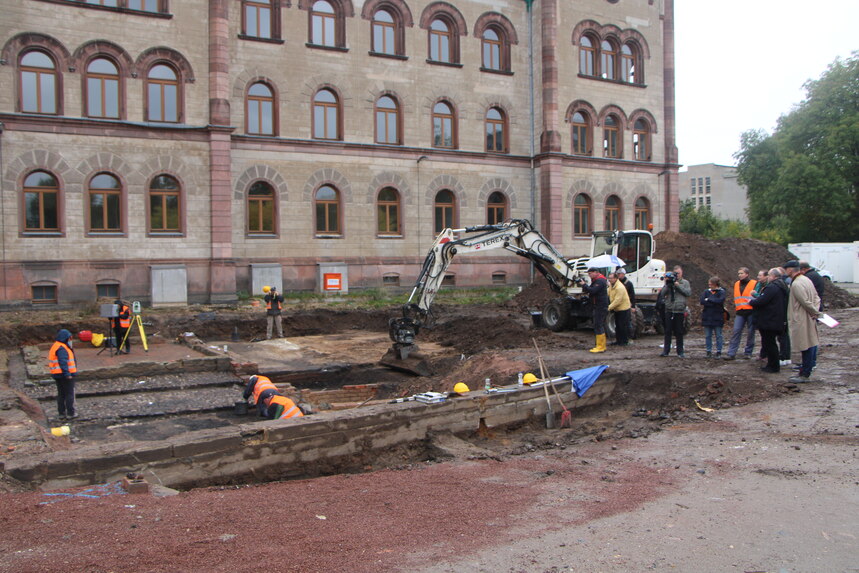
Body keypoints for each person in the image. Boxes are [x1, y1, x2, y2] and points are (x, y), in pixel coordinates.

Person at [784, 260, 822, 382]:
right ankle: (807, 368)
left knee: (805, 345)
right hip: (809, 316)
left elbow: (804, 301)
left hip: (802, 317)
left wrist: (815, 312)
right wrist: (815, 311)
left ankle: (805, 373)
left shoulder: (797, 284)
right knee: (810, 343)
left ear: (790, 270)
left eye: (786, 269)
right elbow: (816, 297)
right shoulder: (806, 280)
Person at [749, 268, 789, 373]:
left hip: (769, 320)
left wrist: (751, 302)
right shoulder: (782, 286)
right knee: (771, 343)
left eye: (769, 275)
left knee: (770, 344)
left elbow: (762, 300)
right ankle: (772, 365)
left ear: (773, 276)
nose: (768, 277)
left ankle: (773, 366)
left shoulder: (772, 287)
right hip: (776, 319)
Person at [724, 267, 757, 360]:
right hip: (740, 311)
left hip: (751, 310)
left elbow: (757, 296)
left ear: (747, 274)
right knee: (736, 331)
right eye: (739, 273)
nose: (739, 275)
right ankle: (731, 353)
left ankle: (748, 352)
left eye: (741, 273)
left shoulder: (754, 283)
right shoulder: (736, 284)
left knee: (751, 332)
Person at [659, 265, 691, 357]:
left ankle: (680, 351)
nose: (677, 275)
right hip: (669, 309)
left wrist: (678, 286)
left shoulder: (685, 283)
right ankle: (666, 351)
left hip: (679, 310)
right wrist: (667, 284)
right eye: (676, 273)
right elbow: (662, 293)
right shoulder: (669, 283)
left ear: (682, 273)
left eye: (679, 273)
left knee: (679, 331)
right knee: (668, 331)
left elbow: (688, 293)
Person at [48, 328, 78, 420]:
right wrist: (67, 373)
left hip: (57, 374)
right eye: (70, 338)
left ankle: (61, 412)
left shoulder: (56, 346)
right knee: (69, 394)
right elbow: (63, 362)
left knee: (61, 394)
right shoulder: (62, 348)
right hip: (64, 375)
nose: (71, 340)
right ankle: (70, 412)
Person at [579, 267, 609, 353]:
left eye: (590, 273)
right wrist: (584, 286)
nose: (589, 275)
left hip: (600, 305)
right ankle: (600, 345)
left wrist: (584, 285)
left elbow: (592, 291)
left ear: (595, 272)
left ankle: (600, 346)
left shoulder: (600, 281)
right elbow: (589, 290)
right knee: (598, 324)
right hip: (597, 305)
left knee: (598, 324)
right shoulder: (596, 280)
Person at [699, 276, 727, 358]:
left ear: (715, 284)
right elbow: (702, 301)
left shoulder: (721, 292)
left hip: (718, 317)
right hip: (707, 316)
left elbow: (720, 301)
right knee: (708, 335)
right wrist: (713, 301)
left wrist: (709, 299)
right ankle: (708, 351)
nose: (709, 285)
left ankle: (719, 351)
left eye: (711, 284)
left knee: (718, 335)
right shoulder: (706, 291)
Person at [607, 272, 631, 346]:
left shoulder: (619, 287)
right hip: (617, 309)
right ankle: (618, 340)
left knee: (622, 325)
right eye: (609, 278)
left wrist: (609, 307)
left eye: (611, 278)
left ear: (615, 278)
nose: (609, 280)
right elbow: (608, 293)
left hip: (623, 309)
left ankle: (624, 341)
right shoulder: (611, 286)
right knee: (617, 325)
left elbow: (618, 300)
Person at [616, 267, 636, 336]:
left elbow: (632, 295)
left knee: (628, 320)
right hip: (619, 303)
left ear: (623, 274)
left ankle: (630, 335)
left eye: (619, 274)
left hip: (627, 303)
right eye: (617, 274)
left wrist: (633, 305)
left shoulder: (628, 283)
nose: (618, 275)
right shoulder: (617, 283)